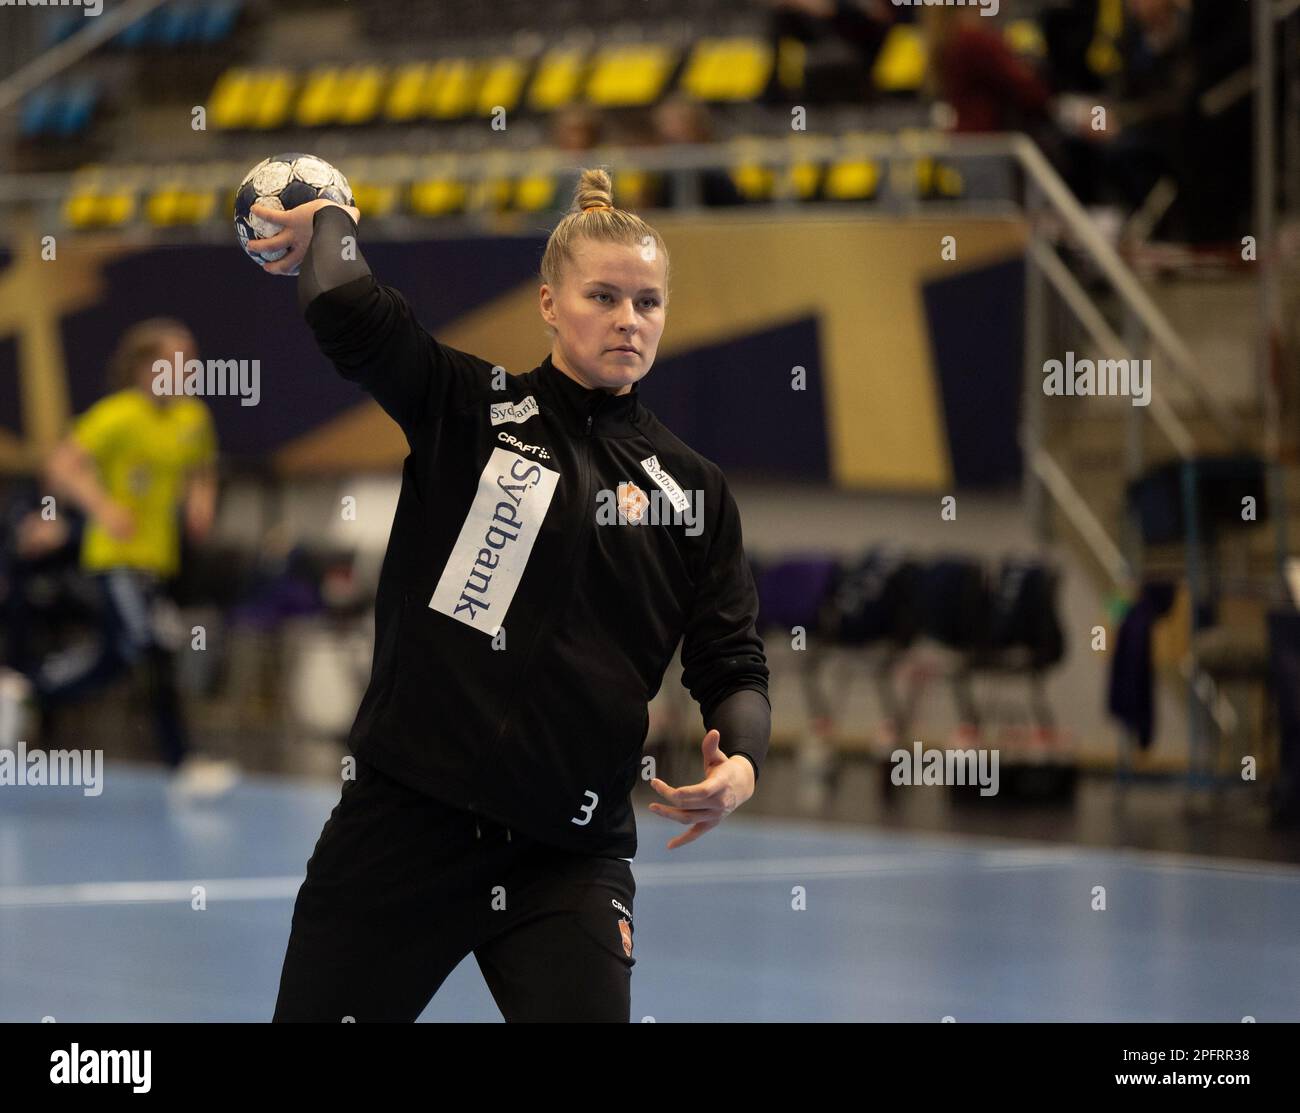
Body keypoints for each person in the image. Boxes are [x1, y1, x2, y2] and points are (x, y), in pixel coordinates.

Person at [251, 167, 772, 1022]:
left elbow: (732, 658)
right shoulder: (468, 411)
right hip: (404, 826)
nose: (628, 319)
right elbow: (352, 312)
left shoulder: (694, 490)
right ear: (549, 304)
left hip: (567, 856)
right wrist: (332, 226)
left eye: (647, 302)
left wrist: (742, 761)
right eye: (603, 296)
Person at [0, 319, 235, 796]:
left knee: (120, 657)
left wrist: (200, 501)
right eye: (178, 360)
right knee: (149, 645)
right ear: (146, 367)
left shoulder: (193, 418)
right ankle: (182, 763)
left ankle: (25, 691)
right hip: (115, 559)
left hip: (157, 561)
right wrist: (103, 507)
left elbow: (202, 467)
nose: (189, 370)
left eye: (191, 361)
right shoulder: (118, 415)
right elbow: (60, 466)